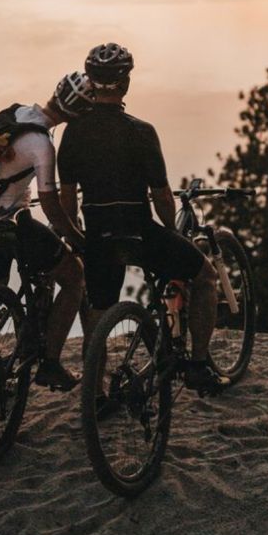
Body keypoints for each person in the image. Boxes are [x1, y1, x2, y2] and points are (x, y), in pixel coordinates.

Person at [58, 43, 229, 400]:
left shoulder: (73, 133)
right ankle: (198, 364)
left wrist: (77, 237)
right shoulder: (141, 131)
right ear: (125, 84)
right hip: (138, 232)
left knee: (98, 313)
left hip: (100, 236)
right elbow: (163, 196)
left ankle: (97, 392)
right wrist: (171, 231)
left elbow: (66, 197)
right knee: (205, 276)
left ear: (90, 81)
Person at [0, 72, 92, 391]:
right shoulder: (43, 146)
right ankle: (50, 364)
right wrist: (76, 237)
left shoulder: (17, 112)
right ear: (77, 114)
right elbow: (50, 205)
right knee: (74, 276)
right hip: (11, 225)